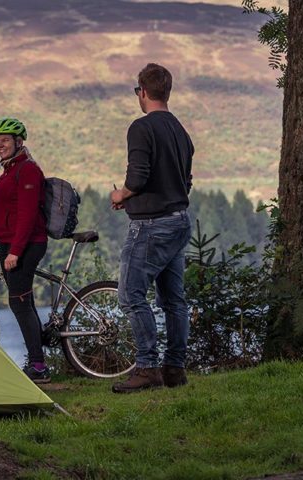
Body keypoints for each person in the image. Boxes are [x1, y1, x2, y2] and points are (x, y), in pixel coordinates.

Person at [109, 63, 195, 393]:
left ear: (142, 93)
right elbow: (184, 182)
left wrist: (121, 194)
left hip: (150, 226)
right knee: (173, 300)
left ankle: (147, 368)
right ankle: (175, 368)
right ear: (166, 92)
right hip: (178, 221)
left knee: (131, 294)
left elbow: (138, 178)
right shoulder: (181, 132)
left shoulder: (141, 128)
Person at [0, 117, 52, 384]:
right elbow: (10, 210)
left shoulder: (28, 171)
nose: (0, 145)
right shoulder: (10, 170)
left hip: (27, 244)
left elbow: (27, 214)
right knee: (24, 301)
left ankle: (38, 366)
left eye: (5, 140)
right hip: (10, 241)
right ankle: (37, 361)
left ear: (19, 142)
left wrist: (15, 251)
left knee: (18, 302)